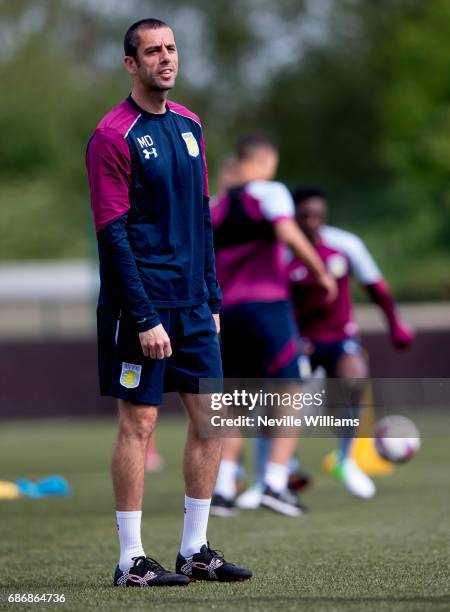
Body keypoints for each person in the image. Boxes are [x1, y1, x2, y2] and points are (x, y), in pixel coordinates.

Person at [86, 18, 252, 587]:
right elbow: (112, 234)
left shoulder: (190, 126)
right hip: (143, 306)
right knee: (141, 423)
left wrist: (211, 298)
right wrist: (145, 315)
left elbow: (202, 220)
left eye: (171, 48)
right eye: (152, 51)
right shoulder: (113, 135)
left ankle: (194, 549)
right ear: (131, 64)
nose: (166, 59)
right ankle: (131, 559)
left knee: (213, 420)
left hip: (193, 305)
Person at [210, 136, 337, 517]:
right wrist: (320, 270)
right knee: (290, 395)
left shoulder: (215, 206)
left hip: (226, 311)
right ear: (265, 160)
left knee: (233, 403)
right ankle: (276, 484)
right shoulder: (270, 193)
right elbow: (286, 232)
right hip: (267, 308)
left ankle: (223, 489)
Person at [287, 187, 414, 498]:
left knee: (353, 379)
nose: (312, 221)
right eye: (304, 216)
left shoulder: (345, 244)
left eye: (317, 215)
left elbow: (376, 287)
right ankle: (283, 469)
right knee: (281, 400)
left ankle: (346, 458)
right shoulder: (280, 250)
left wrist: (395, 325)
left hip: (339, 336)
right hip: (297, 338)